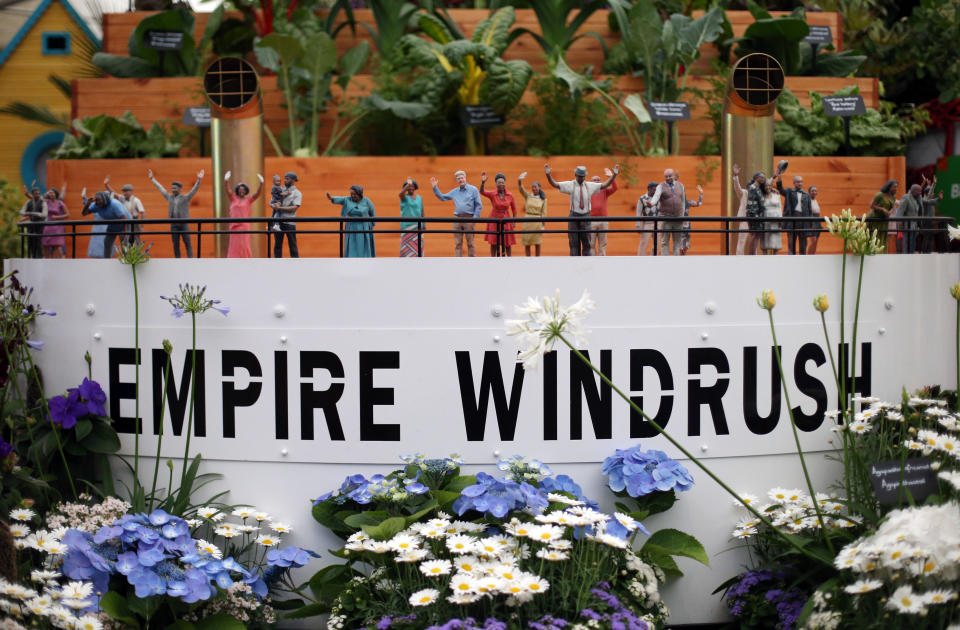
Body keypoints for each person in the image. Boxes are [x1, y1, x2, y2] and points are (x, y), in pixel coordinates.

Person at [545, 163, 619, 256]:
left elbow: (604, 185)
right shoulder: (570, 184)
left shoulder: (590, 185)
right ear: (575, 175)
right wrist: (548, 175)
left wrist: (614, 175)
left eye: (583, 176)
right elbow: (555, 184)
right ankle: (574, 263)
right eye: (580, 176)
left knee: (587, 243)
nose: (581, 178)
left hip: (586, 216)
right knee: (573, 243)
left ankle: (586, 265)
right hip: (574, 216)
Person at [148, 168, 204, 258]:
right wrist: (152, 179)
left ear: (179, 189)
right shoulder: (169, 197)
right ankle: (177, 260)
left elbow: (194, 190)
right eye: (172, 187)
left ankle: (191, 260)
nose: (173, 189)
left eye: (175, 188)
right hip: (174, 224)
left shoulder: (185, 198)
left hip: (184, 223)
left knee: (187, 243)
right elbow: (161, 188)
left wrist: (199, 179)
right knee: (175, 244)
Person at [431, 170, 482, 257]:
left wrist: (475, 218)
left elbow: (479, 205)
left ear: (465, 178)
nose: (460, 180)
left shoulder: (473, 190)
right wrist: (435, 187)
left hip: (469, 219)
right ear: (457, 181)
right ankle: (457, 263)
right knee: (457, 243)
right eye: (458, 179)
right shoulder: (455, 191)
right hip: (457, 219)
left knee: (471, 243)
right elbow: (443, 197)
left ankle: (473, 263)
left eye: (461, 178)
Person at [642, 168, 687, 256]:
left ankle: (676, 261)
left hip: (678, 218)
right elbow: (656, 196)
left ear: (673, 176)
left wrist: (683, 214)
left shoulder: (681, 185)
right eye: (666, 176)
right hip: (666, 217)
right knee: (665, 241)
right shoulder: (661, 186)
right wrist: (651, 203)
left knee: (677, 241)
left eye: (670, 176)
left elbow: (683, 201)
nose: (668, 178)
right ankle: (665, 262)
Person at [327, 185, 376, 258]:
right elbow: (340, 199)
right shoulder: (347, 200)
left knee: (363, 245)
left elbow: (372, 213)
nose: (352, 196)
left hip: (364, 227)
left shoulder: (367, 201)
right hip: (351, 227)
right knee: (352, 244)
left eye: (354, 194)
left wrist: (371, 225)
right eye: (351, 194)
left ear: (359, 193)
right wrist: (331, 198)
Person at [224, 171, 264, 258]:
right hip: (234, 227)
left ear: (246, 191)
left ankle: (246, 259)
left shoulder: (248, 200)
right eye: (240, 189)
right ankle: (233, 259)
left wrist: (261, 183)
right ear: (237, 190)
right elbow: (228, 190)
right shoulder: (233, 198)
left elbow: (257, 194)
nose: (241, 191)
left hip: (245, 226)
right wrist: (226, 180)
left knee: (245, 245)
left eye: (243, 190)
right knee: (234, 245)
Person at [82, 190, 131, 259]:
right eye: (96, 201)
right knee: (107, 242)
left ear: (105, 199)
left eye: (99, 201)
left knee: (124, 243)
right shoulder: (97, 205)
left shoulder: (114, 204)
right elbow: (84, 213)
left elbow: (124, 217)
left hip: (124, 222)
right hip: (113, 224)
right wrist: (87, 204)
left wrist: (125, 233)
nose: (98, 203)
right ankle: (106, 261)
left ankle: (127, 260)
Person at [480, 172, 517, 257]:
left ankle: (509, 259)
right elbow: (482, 191)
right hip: (494, 219)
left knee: (507, 242)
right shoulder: (492, 194)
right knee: (493, 241)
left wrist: (514, 221)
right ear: (496, 184)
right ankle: (493, 259)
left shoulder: (510, 195)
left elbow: (514, 210)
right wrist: (483, 182)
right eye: (499, 182)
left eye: (502, 182)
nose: (501, 184)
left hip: (506, 220)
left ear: (505, 183)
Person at [776, 173, 812, 255]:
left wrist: (810, 223)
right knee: (791, 242)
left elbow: (810, 210)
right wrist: (779, 179)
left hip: (803, 222)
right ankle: (791, 259)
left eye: (801, 182)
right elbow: (781, 190)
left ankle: (802, 260)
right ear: (794, 183)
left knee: (803, 243)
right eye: (798, 182)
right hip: (792, 221)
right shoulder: (789, 192)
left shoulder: (806, 195)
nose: (800, 183)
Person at [104, 177, 145, 245]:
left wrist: (142, 226)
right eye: (123, 191)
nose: (124, 193)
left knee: (136, 240)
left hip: (134, 222)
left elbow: (143, 213)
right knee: (124, 240)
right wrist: (106, 185)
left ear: (131, 191)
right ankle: (125, 254)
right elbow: (113, 193)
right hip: (124, 221)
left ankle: (136, 255)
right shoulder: (121, 198)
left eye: (126, 191)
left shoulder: (136, 200)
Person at [732, 165, 761, 256]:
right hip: (745, 219)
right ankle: (739, 257)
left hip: (754, 220)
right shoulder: (744, 193)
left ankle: (754, 257)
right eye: (748, 186)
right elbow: (737, 188)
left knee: (754, 240)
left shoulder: (757, 195)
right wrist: (736, 176)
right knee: (741, 240)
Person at [271, 172, 302, 258]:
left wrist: (280, 208)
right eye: (284, 178)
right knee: (277, 245)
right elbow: (272, 200)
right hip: (278, 221)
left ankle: (295, 264)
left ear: (293, 180)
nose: (284, 180)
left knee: (292, 245)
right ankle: (277, 265)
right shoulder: (279, 189)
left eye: (287, 179)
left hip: (290, 222)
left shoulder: (297, 193)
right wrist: (273, 205)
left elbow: (294, 207)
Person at [588, 169, 618, 256]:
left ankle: (602, 262)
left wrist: (610, 176)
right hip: (591, 221)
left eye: (598, 180)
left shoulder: (604, 190)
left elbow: (615, 188)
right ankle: (591, 262)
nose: (596, 181)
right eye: (594, 180)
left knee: (603, 244)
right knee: (591, 244)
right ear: (590, 182)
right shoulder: (587, 190)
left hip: (603, 220)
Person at [518, 172, 547, 257]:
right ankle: (528, 259)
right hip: (527, 221)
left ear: (539, 188)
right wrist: (519, 180)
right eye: (532, 187)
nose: (533, 188)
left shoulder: (543, 199)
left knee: (537, 243)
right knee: (527, 242)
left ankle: (537, 259)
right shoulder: (528, 196)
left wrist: (543, 226)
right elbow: (521, 189)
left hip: (537, 221)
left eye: (535, 187)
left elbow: (544, 213)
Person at [675, 170, 703, 255]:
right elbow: (674, 189)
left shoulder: (688, 202)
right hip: (678, 225)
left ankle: (683, 254)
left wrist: (701, 193)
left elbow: (699, 203)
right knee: (679, 242)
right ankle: (680, 255)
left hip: (686, 226)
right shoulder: (675, 203)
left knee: (685, 243)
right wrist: (676, 179)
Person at [869, 180, 898, 254]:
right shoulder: (880, 195)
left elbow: (891, 207)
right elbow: (871, 205)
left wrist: (889, 212)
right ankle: (873, 252)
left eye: (896, 187)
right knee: (875, 237)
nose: (896, 189)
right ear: (889, 187)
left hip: (884, 219)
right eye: (894, 187)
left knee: (883, 237)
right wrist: (882, 209)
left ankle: (882, 253)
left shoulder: (893, 197)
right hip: (875, 219)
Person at [19, 188, 47, 258]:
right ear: (33, 194)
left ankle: (40, 257)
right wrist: (26, 213)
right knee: (30, 241)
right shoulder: (29, 202)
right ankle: (32, 257)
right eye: (36, 194)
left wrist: (33, 213)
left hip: (39, 224)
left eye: (39, 194)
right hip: (31, 225)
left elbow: (44, 214)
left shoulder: (43, 202)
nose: (37, 195)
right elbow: (21, 212)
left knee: (38, 241)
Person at [399, 178, 424, 257]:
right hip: (407, 227)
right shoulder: (404, 197)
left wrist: (424, 224)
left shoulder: (419, 198)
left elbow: (422, 211)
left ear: (415, 187)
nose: (411, 188)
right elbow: (400, 194)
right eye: (409, 186)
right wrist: (407, 185)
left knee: (418, 248)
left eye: (412, 186)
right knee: (406, 249)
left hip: (418, 226)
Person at [41, 189, 69, 259]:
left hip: (57, 226)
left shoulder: (60, 203)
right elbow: (40, 205)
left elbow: (67, 214)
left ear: (55, 194)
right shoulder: (46, 202)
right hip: (48, 225)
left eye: (52, 193)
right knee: (45, 244)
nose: (51, 194)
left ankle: (55, 261)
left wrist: (57, 217)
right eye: (49, 193)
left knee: (56, 245)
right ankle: (47, 260)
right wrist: (44, 197)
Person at [896, 184, 923, 255]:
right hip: (907, 226)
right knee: (907, 244)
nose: (920, 193)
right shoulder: (906, 198)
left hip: (915, 226)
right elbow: (900, 212)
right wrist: (900, 224)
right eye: (918, 191)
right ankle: (906, 259)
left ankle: (911, 258)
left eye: (921, 191)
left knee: (913, 245)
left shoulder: (918, 198)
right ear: (913, 191)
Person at [759, 174, 783, 255]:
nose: (768, 187)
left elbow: (780, 207)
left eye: (769, 186)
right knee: (765, 238)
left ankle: (775, 255)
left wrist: (781, 219)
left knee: (775, 238)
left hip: (776, 220)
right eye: (766, 186)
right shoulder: (761, 196)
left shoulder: (776, 195)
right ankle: (765, 256)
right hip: (765, 220)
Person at [635, 181, 658, 256]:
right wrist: (638, 225)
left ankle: (654, 259)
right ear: (649, 189)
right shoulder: (642, 198)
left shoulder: (658, 198)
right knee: (643, 243)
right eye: (654, 189)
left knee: (657, 244)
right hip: (647, 223)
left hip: (657, 223)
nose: (655, 191)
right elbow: (638, 212)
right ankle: (641, 259)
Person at [807, 185, 822, 255]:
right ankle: (809, 255)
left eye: (815, 191)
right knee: (813, 240)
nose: (814, 192)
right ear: (809, 192)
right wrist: (811, 223)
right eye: (812, 191)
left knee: (816, 241)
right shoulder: (808, 201)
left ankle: (813, 254)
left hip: (817, 220)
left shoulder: (815, 200)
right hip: (812, 221)